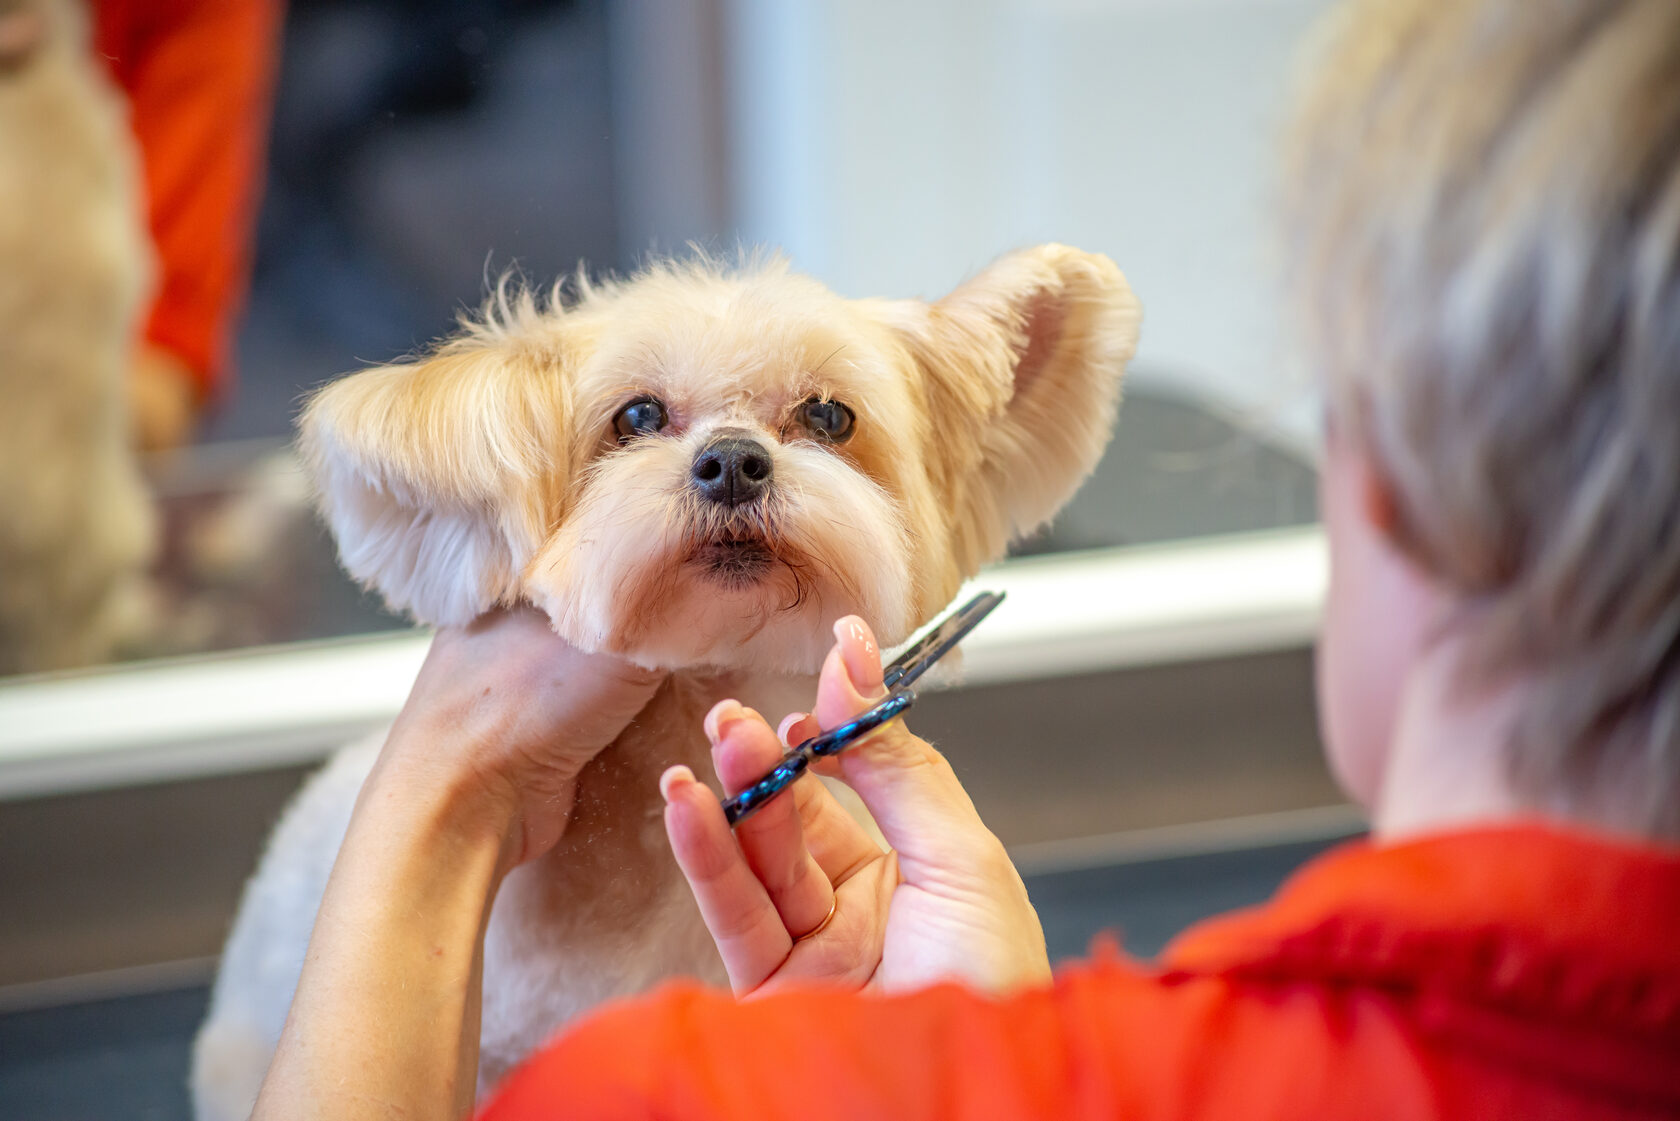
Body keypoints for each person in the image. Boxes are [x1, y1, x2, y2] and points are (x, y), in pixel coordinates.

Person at [249, 0, 1680, 1116]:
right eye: (643, 423)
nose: (736, 459)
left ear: (1386, 481)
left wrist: (436, 792)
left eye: (820, 421)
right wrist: (987, 1042)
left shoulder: (659, 1097)